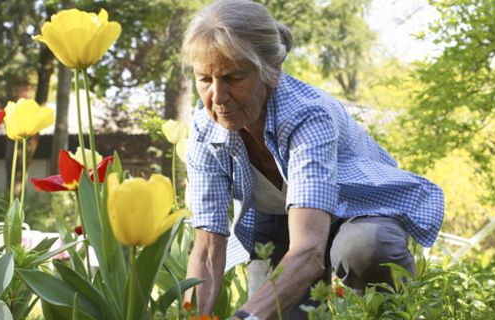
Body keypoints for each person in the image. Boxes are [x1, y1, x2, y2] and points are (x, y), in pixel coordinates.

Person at [182, 1, 444, 319]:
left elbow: (308, 251)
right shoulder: (204, 128)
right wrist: (196, 316)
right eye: (205, 80)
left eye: (233, 77)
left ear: (271, 70)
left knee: (364, 249)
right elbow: (208, 248)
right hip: (281, 221)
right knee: (274, 310)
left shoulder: (307, 115)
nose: (218, 97)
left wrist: (245, 317)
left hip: (357, 210)